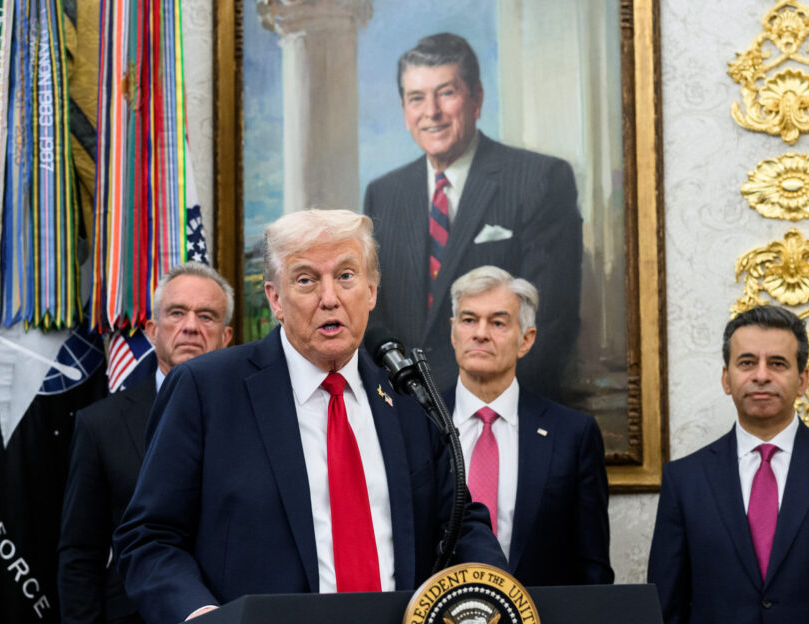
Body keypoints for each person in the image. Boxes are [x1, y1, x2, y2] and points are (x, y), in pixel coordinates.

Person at [115, 209, 506, 624]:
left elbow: (462, 524)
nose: (330, 298)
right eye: (306, 280)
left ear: (371, 292)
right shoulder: (206, 388)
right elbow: (149, 538)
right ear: (275, 298)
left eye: (346, 276)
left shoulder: (407, 394)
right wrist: (204, 616)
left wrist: (500, 600)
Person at [363, 32, 582, 400]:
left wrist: (477, 409)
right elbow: (373, 316)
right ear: (405, 111)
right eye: (417, 98)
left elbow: (550, 322)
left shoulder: (539, 180)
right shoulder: (384, 193)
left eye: (446, 93)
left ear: (476, 99)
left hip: (499, 411)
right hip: (406, 417)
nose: (431, 112)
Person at [648, 305, 809, 624]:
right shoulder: (684, 480)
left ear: (802, 380)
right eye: (747, 363)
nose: (761, 375)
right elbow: (665, 608)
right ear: (726, 379)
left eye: (777, 363)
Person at [58, 262, 235, 624]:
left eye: (207, 316)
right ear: (152, 330)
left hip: (233, 612)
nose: (190, 327)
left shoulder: (252, 415)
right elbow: (80, 555)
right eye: (177, 313)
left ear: (226, 336)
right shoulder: (100, 424)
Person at [444, 266, 612, 586]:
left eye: (497, 322)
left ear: (526, 339)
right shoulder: (417, 423)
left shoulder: (572, 435)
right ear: (453, 333)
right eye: (469, 320)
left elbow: (593, 568)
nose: (480, 333)